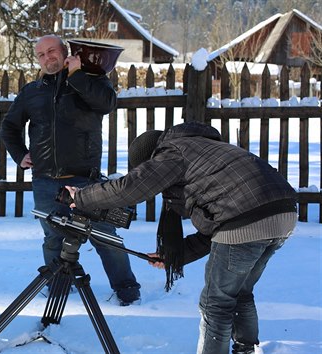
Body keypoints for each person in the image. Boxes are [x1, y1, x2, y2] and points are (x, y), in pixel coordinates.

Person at [65, 121, 297, 354]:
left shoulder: (172, 152)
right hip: (283, 212)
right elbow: (216, 231)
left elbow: (131, 187)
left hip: (247, 218)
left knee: (215, 303)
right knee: (239, 292)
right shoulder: (202, 148)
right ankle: (245, 349)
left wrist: (84, 197)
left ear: (150, 158)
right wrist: (177, 255)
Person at [0, 34, 141, 305]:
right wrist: (19, 154)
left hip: (85, 180)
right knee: (53, 239)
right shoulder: (32, 91)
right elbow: (9, 126)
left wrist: (76, 75)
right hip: (44, 181)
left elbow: (107, 104)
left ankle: (127, 291)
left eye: (51, 50)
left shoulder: (90, 79)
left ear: (65, 51)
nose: (47, 57)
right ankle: (59, 289)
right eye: (41, 54)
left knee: (104, 236)